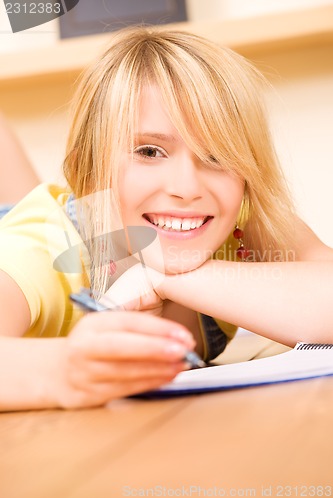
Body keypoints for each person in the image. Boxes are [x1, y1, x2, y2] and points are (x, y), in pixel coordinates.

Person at [0, 27, 332, 412]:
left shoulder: (235, 217)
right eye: (149, 151)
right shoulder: (38, 250)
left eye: (217, 155)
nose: (187, 187)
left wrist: (164, 277)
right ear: (86, 173)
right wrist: (67, 368)